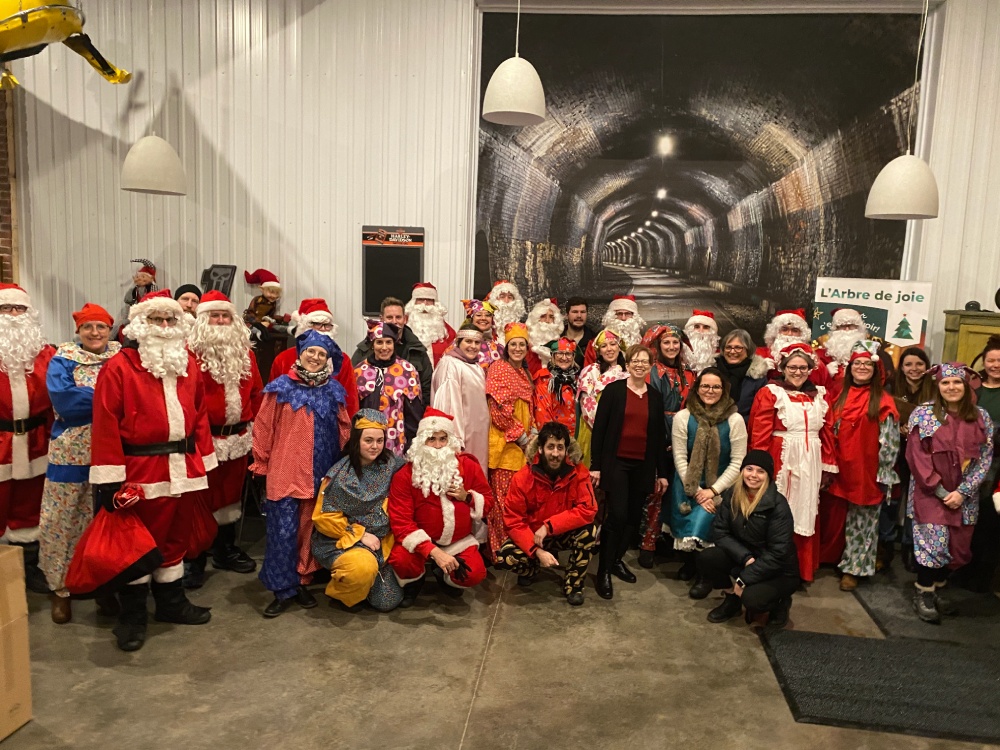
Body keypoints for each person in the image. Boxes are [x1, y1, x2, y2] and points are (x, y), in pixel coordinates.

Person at [88, 289, 217, 652]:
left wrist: (204, 458)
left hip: (184, 467)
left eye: (170, 319)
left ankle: (171, 605)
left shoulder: (188, 363)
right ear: (140, 324)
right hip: (139, 470)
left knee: (176, 538)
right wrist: (111, 478)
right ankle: (133, 617)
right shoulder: (119, 367)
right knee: (136, 543)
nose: (164, 326)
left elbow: (200, 413)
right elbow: (105, 425)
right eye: (156, 319)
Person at [252, 330, 351, 618]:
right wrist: (261, 461)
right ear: (301, 354)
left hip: (321, 473)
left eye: (322, 354)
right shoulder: (281, 387)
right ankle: (282, 589)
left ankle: (301, 580)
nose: (316, 357)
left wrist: (344, 464)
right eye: (311, 352)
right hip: (285, 471)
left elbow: (344, 428)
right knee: (283, 532)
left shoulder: (333, 391)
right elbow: (263, 426)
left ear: (327, 360)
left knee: (309, 531)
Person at [37, 304, 120, 623]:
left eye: (100, 327)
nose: (95, 333)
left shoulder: (121, 356)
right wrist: (108, 397)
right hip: (71, 452)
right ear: (78, 331)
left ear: (109, 329)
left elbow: (130, 397)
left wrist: (89, 392)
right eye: (88, 327)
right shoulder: (63, 359)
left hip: (112, 452)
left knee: (107, 520)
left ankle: (105, 588)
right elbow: (65, 402)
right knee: (63, 520)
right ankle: (60, 590)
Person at [182, 291, 264, 588]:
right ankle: (195, 557)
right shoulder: (190, 355)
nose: (220, 321)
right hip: (204, 439)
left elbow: (256, 394)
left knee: (230, 496)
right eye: (214, 316)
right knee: (200, 499)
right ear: (203, 320)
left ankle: (225, 549)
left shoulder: (247, 354)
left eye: (225, 316)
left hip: (239, 438)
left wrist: (255, 431)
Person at [907, 364, 994, 623]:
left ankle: (940, 590)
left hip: (965, 497)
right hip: (931, 494)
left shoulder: (981, 417)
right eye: (946, 383)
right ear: (938, 386)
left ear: (966, 386)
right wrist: (942, 489)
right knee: (932, 544)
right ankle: (923, 593)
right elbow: (916, 457)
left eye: (957, 382)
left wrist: (963, 492)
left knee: (957, 547)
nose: (951, 387)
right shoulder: (923, 415)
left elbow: (984, 458)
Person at [748, 343, 837, 583]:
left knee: (806, 510)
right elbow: (760, 432)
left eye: (803, 367)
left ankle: (800, 569)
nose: (798, 372)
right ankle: (772, 568)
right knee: (778, 511)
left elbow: (827, 431)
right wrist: (760, 468)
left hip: (811, 460)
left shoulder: (820, 395)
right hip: (782, 458)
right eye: (792, 367)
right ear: (783, 368)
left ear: (810, 369)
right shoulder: (771, 393)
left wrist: (828, 465)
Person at [387, 408, 493, 606]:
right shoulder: (404, 476)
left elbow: (488, 502)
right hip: (421, 543)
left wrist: (467, 497)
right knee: (401, 561)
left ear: (450, 440)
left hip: (458, 541)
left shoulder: (468, 466)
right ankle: (415, 581)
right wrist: (434, 552)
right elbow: (401, 522)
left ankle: (444, 577)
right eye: (431, 439)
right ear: (421, 442)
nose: (437, 446)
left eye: (443, 439)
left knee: (474, 574)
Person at [590, 344, 669, 600]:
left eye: (644, 361)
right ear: (628, 364)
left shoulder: (655, 397)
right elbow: (599, 430)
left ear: (650, 366)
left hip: (643, 466)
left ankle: (615, 561)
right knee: (617, 516)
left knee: (634, 519)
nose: (639, 365)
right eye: (635, 360)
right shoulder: (614, 391)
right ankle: (603, 570)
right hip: (618, 464)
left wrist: (662, 472)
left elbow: (658, 438)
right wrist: (596, 465)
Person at [823, 341, 900, 592]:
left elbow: (889, 441)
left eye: (867, 363)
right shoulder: (839, 395)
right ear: (850, 367)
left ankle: (855, 568)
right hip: (838, 468)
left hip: (865, 469)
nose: (862, 367)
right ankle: (833, 558)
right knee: (836, 519)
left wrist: (885, 471)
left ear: (876, 369)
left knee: (863, 521)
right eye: (858, 363)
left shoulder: (883, 399)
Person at [312, 410, 406, 612]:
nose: (375, 447)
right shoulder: (340, 476)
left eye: (380, 441)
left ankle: (368, 583)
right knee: (361, 570)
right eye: (369, 440)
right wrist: (360, 534)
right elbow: (324, 517)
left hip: (385, 541)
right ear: (356, 440)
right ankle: (346, 590)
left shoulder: (393, 464)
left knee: (387, 601)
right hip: (346, 542)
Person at [497, 421, 598, 606]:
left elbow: (589, 510)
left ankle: (573, 585)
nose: (555, 453)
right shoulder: (522, 478)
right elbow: (513, 521)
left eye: (560, 447)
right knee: (505, 556)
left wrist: (548, 526)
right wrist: (537, 551)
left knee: (588, 532)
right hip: (534, 537)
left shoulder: (579, 472)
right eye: (550, 447)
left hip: (559, 532)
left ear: (566, 450)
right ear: (541, 449)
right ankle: (532, 568)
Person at [697, 451, 799, 628]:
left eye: (760, 471)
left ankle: (780, 603)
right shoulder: (732, 494)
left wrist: (744, 578)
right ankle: (732, 600)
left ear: (768, 476)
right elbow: (720, 532)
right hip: (748, 558)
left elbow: (778, 553)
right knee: (708, 558)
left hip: (778, 570)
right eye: (749, 469)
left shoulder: (778, 505)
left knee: (753, 599)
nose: (753, 475)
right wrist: (745, 558)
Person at [670, 367, 748, 597]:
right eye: (705, 386)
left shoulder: (735, 420)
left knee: (705, 523)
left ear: (724, 390)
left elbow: (738, 462)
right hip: (688, 484)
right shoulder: (683, 417)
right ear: (697, 389)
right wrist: (696, 491)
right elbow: (680, 457)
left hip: (721, 485)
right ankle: (692, 564)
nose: (710, 391)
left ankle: (706, 575)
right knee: (687, 524)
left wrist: (713, 491)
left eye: (716, 386)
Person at [0, 283, 55, 594]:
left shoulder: (44, 353)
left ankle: (29, 568)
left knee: (29, 507)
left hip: (36, 442)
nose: (14, 315)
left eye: (19, 308)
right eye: (6, 309)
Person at [639, 324, 694, 567]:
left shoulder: (689, 373)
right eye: (666, 343)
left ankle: (672, 540)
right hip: (660, 438)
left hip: (685, 438)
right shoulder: (654, 372)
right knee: (656, 492)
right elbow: (652, 410)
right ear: (658, 346)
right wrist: (665, 441)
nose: (671, 347)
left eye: (675, 343)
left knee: (678, 491)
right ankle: (647, 544)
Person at [883, 346, 934, 572]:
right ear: (901, 367)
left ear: (927, 366)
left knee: (917, 501)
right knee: (891, 499)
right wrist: (898, 428)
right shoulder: (891, 388)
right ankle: (884, 549)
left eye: (919, 364)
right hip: (895, 453)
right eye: (908, 364)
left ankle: (911, 548)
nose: (914, 369)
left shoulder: (935, 390)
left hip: (924, 454)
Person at [485, 321, 534, 560]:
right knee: (502, 502)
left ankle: (514, 547)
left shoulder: (523, 371)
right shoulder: (499, 368)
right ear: (507, 347)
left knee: (515, 502)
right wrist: (522, 436)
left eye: (521, 344)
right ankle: (499, 551)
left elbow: (527, 407)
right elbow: (498, 410)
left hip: (521, 447)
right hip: (507, 445)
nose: (517, 348)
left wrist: (532, 432)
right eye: (513, 344)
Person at [269, 298, 360, 416]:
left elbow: (350, 402)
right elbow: (271, 404)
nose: (322, 329)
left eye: (327, 325)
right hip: (290, 428)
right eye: (316, 324)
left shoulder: (342, 360)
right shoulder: (283, 359)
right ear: (304, 326)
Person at [959, 335, 1000, 591]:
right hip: (970, 463)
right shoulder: (973, 391)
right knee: (968, 518)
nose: (996, 364)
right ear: (984, 362)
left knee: (991, 519)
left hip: (998, 466)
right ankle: (963, 568)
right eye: (991, 360)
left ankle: (984, 575)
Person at [354, 319, 424, 457]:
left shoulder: (407, 370)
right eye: (379, 342)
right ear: (372, 345)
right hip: (367, 442)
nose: (384, 347)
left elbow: (414, 412)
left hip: (397, 440)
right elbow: (353, 411)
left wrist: (413, 444)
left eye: (389, 342)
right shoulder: (359, 372)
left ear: (394, 344)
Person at [431, 327, 490, 473]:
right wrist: (454, 439)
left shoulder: (475, 366)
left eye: (477, 342)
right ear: (458, 342)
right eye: (468, 341)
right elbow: (449, 404)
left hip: (478, 436)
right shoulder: (450, 364)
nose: (473, 346)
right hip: (462, 437)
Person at [352, 296, 432, 398]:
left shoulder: (417, 350)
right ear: (381, 319)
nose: (394, 321)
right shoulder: (364, 350)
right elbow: (352, 386)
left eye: (398, 317)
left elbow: (427, 388)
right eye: (389, 317)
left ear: (405, 319)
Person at [576, 329, 627, 468]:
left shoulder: (627, 373)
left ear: (619, 346)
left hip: (620, 434)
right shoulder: (591, 371)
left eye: (612, 344)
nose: (609, 349)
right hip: (593, 429)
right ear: (598, 351)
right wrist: (605, 430)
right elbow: (587, 405)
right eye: (604, 346)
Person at [815, 308, 891, 400]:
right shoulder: (821, 355)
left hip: (863, 401)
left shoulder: (873, 353)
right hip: (829, 402)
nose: (847, 330)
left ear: (859, 328)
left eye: (851, 326)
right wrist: (825, 374)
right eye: (842, 326)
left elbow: (880, 381)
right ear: (835, 329)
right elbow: (812, 385)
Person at [715, 329, 768, 422]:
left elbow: (759, 413)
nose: (732, 351)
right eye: (728, 347)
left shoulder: (757, 377)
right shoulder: (711, 371)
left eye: (738, 347)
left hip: (744, 429)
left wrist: (735, 424)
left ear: (748, 350)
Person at [533, 338, 579, 437]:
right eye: (560, 353)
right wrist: (553, 441)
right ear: (553, 355)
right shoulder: (545, 378)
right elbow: (542, 414)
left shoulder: (576, 380)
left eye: (568, 354)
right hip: (556, 440)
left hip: (577, 438)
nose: (564, 357)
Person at [404, 281, 455, 366]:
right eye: (420, 299)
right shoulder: (404, 326)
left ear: (435, 303)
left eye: (429, 300)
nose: (425, 304)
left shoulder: (447, 332)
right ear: (413, 302)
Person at [755, 309, 814, 380]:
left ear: (802, 335)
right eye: (785, 329)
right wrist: (759, 370)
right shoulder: (760, 354)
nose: (789, 334)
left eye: (795, 330)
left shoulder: (812, 358)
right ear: (776, 332)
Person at [524, 297, 564, 376]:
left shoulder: (562, 346)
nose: (547, 320)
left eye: (551, 317)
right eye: (543, 316)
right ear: (535, 319)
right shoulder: (524, 345)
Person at [460, 298, 501, 371]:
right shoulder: (461, 343)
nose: (483, 318)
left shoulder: (499, 347)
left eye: (488, 315)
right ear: (472, 319)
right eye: (479, 315)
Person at [486, 280, 527, 345]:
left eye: (510, 297)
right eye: (502, 297)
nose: (506, 301)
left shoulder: (523, 326)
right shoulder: (486, 324)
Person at [562, 296, 595, 370]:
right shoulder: (557, 338)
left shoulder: (594, 340)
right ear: (567, 315)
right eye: (575, 312)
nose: (579, 316)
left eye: (583, 312)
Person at [682, 309, 720, 374]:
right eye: (696, 327)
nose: (701, 331)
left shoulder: (719, 356)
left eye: (706, 327)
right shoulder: (680, 351)